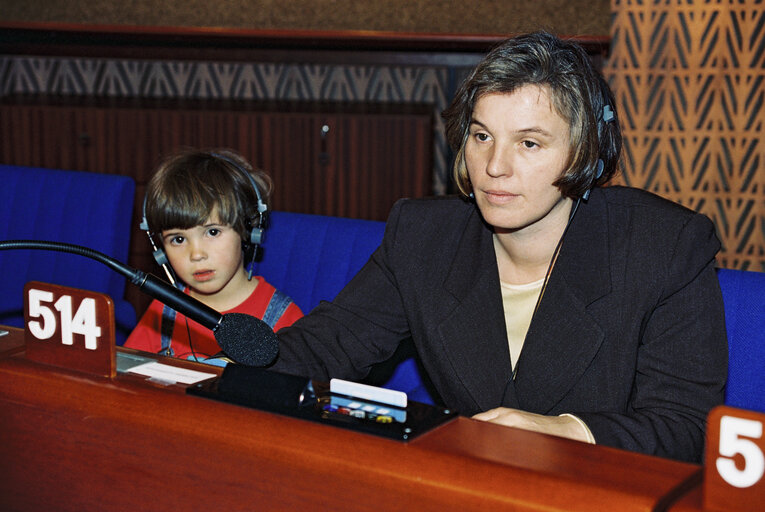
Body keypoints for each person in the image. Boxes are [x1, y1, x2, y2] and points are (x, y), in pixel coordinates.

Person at [268, 32, 727, 463]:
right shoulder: (422, 236)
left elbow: (687, 429)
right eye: (481, 136)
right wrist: (217, 374)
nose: (494, 167)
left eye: (529, 142)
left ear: (587, 151)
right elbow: (325, 344)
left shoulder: (665, 246)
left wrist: (567, 431)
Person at [125, 149, 303, 365]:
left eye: (212, 232)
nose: (197, 254)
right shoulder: (165, 310)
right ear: (160, 250)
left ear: (249, 231)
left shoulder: (284, 319)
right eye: (178, 239)